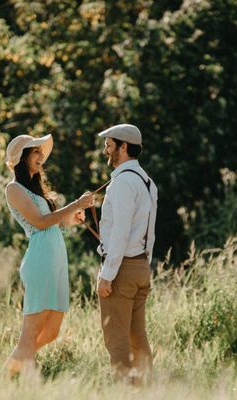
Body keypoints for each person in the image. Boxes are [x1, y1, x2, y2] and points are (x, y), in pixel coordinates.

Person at [0, 133, 94, 379]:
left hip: (56, 261)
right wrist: (74, 204)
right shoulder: (14, 189)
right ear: (22, 158)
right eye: (35, 152)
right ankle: (15, 381)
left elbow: (53, 223)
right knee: (30, 334)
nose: (42, 156)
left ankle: (12, 368)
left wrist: (72, 219)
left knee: (51, 331)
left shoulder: (36, 189)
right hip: (41, 260)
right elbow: (40, 223)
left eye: (41, 151)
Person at [95, 124, 158, 385]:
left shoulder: (121, 183)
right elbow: (149, 233)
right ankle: (148, 391)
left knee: (116, 338)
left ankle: (124, 396)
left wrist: (107, 275)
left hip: (122, 270)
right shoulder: (147, 182)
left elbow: (120, 232)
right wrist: (144, 265)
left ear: (123, 147)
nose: (105, 150)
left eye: (109, 145)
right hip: (141, 267)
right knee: (136, 336)